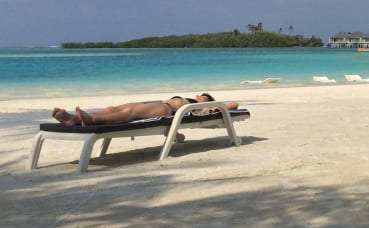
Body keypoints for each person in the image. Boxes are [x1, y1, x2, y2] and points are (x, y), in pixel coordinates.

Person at [51, 93, 239, 127]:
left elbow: (234, 105)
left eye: (203, 96)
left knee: (129, 115)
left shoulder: (204, 107)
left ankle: (87, 120)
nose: (199, 96)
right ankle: (79, 117)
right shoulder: (196, 102)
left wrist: (213, 104)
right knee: (112, 108)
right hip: (156, 104)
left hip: (166, 109)